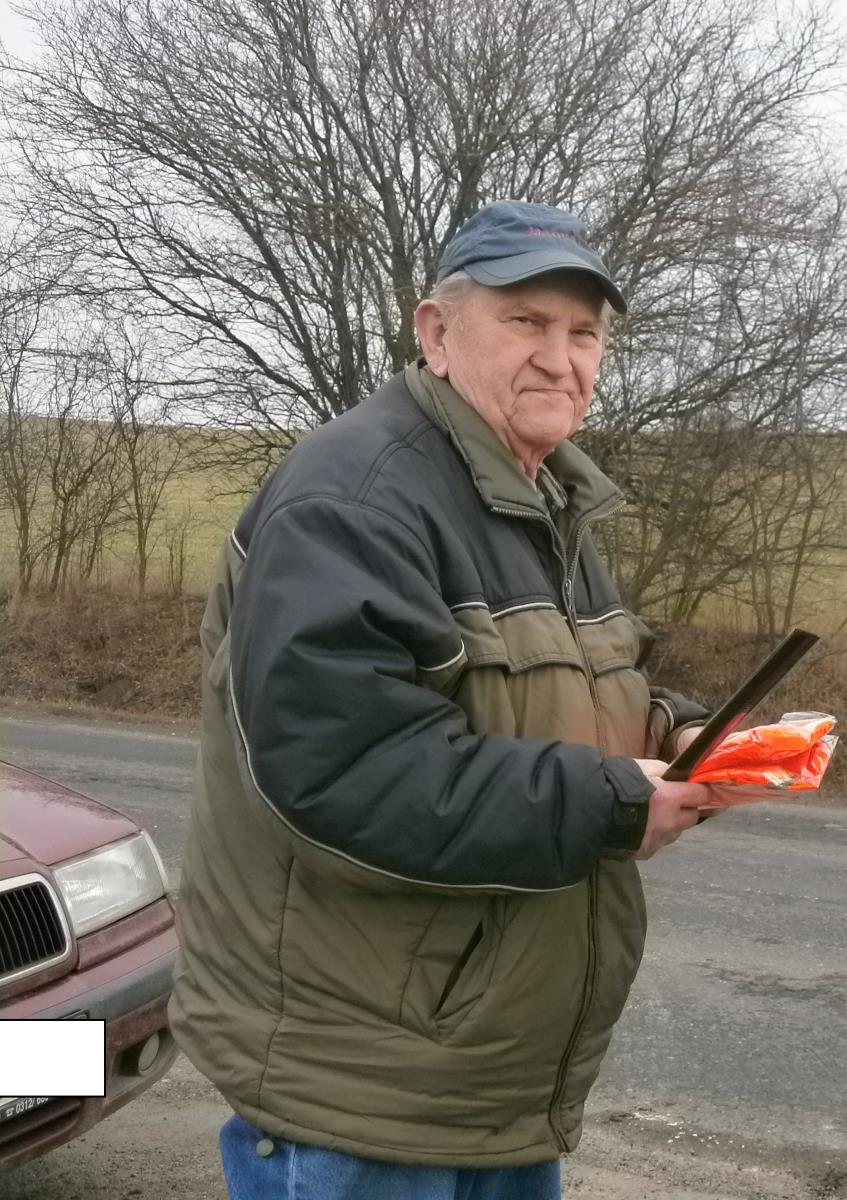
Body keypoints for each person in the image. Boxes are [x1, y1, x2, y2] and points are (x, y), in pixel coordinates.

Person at [170, 200, 756, 1199]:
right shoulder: (355, 501)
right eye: (525, 322)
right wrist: (613, 801)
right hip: (363, 1080)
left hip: (487, 1071)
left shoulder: (545, 498)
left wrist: (685, 735)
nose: (560, 359)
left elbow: (555, 689)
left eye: (584, 333)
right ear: (436, 332)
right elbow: (343, 770)